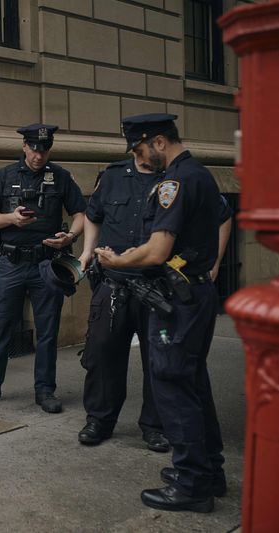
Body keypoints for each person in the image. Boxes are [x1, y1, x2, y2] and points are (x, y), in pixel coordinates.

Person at [95, 113, 226, 513]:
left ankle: (191, 485)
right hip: (195, 292)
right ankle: (209, 471)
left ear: (157, 141)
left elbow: (156, 251)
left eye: (140, 148)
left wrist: (116, 261)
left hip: (178, 299)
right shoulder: (200, 173)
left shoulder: (174, 181)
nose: (140, 157)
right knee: (194, 381)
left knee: (172, 382)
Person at [0, 124, 86, 413]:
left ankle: (45, 390)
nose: (38, 156)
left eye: (44, 150)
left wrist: (71, 236)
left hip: (47, 264)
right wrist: (11, 219)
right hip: (11, 263)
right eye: (34, 149)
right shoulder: (5, 176)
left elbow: (81, 213)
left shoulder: (61, 177)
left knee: (47, 331)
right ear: (24, 147)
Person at [77, 148, 170, 452]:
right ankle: (99, 420)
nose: (158, 149)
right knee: (102, 353)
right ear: (136, 146)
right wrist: (88, 250)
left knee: (158, 360)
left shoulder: (175, 176)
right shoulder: (113, 176)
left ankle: (155, 426)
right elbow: (94, 215)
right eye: (151, 144)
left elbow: (220, 216)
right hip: (113, 284)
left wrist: (212, 264)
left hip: (157, 286)